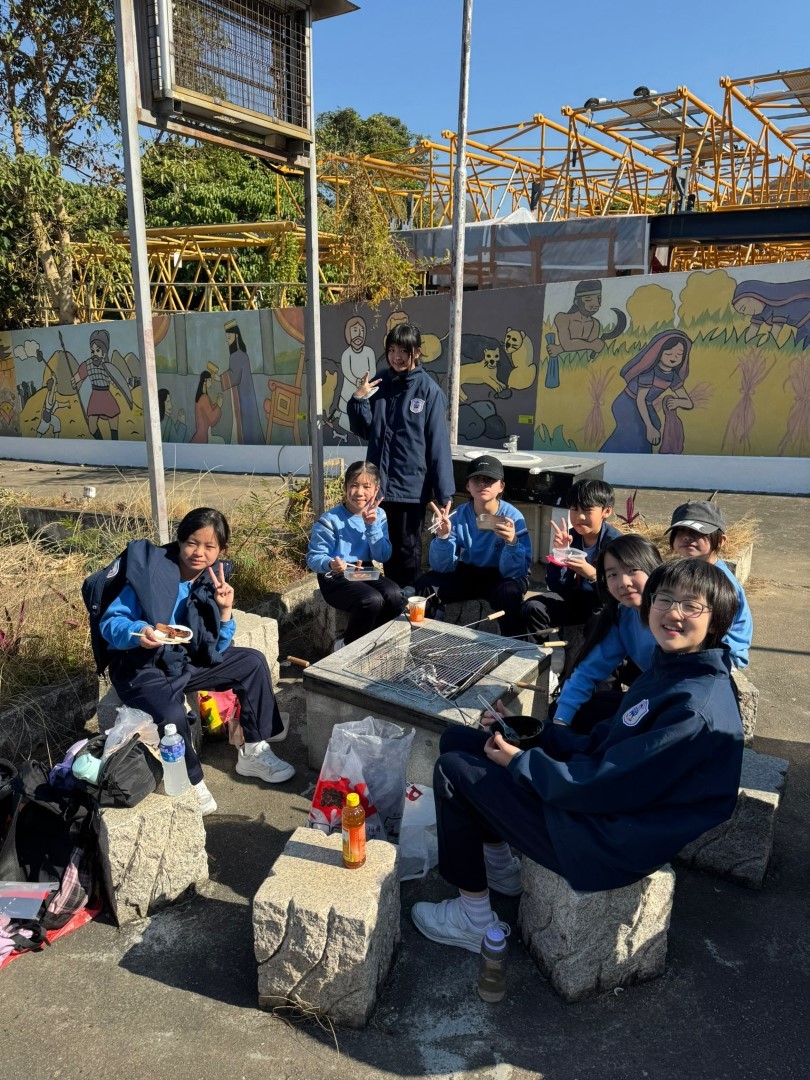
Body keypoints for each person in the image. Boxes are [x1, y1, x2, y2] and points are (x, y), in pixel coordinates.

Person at [411, 558, 744, 952]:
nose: (673, 613)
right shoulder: (673, 670)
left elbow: (607, 784)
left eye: (691, 606)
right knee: (459, 741)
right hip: (603, 808)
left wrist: (520, 762)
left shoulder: (692, 709)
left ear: (717, 620)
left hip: (609, 841)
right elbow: (605, 742)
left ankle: (472, 919)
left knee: (453, 770)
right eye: (664, 599)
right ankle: (500, 868)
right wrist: (533, 735)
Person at [99, 507, 294, 817]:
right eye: (192, 543)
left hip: (184, 660)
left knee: (252, 662)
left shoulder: (210, 580)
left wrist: (225, 611)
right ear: (179, 541)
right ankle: (192, 781)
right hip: (140, 665)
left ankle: (253, 752)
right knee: (171, 713)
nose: (199, 553)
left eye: (209, 546)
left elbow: (215, 646)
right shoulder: (149, 574)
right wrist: (139, 632)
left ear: (221, 550)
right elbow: (111, 623)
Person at [347, 322, 455, 588]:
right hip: (378, 488)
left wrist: (444, 493)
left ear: (416, 352)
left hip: (410, 490)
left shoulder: (428, 391)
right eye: (392, 350)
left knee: (405, 553)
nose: (396, 357)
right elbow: (365, 430)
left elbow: (438, 445)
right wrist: (359, 400)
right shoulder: (381, 384)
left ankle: (404, 603)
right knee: (371, 544)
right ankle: (376, 600)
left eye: (403, 351)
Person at [552, 534, 663, 732]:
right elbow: (588, 671)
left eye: (632, 570)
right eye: (612, 575)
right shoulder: (623, 614)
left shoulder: (675, 617)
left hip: (680, 708)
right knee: (565, 712)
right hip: (652, 697)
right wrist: (560, 722)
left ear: (654, 568)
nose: (623, 582)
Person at [414, 455, 532, 639]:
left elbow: (518, 571)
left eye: (489, 479)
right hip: (469, 571)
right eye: (477, 479)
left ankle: (514, 644)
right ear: (468, 486)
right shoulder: (458, 515)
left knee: (509, 592)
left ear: (501, 486)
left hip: (502, 575)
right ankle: (420, 636)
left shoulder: (513, 517)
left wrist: (512, 543)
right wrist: (443, 536)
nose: (482, 484)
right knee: (426, 584)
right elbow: (441, 567)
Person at [307, 461, 403, 647]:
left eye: (366, 486)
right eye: (353, 485)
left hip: (362, 570)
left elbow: (383, 556)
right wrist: (330, 563)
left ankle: (376, 641)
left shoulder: (379, 515)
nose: (359, 492)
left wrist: (372, 526)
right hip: (334, 575)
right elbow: (313, 558)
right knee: (371, 599)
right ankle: (346, 646)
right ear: (345, 487)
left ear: (376, 490)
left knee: (395, 594)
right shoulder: (330, 520)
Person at [522, 479, 622, 641]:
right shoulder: (570, 537)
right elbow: (557, 586)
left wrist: (592, 575)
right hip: (576, 598)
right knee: (533, 607)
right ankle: (539, 653)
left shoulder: (617, 544)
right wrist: (560, 553)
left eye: (587, 510)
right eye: (574, 509)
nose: (579, 516)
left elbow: (620, 594)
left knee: (597, 620)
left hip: (603, 603)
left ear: (606, 511)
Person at [666, 500, 753, 668]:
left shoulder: (720, 581)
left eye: (698, 532)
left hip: (723, 654)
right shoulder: (690, 571)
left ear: (721, 540)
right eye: (680, 531)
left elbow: (714, 629)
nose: (687, 537)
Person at [600, 330, 693, 454]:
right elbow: (640, 399)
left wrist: (678, 402)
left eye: (679, 354)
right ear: (660, 352)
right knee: (639, 431)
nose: (674, 357)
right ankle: (611, 455)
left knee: (655, 425)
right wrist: (649, 427)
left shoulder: (673, 377)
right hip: (626, 402)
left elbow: (688, 403)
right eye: (669, 353)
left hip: (645, 404)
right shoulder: (649, 373)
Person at [191, 371, 223, 444]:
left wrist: (217, 403)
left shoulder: (203, 396)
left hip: (202, 435)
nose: (211, 382)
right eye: (210, 380)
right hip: (201, 437)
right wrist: (218, 406)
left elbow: (210, 409)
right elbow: (211, 419)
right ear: (205, 381)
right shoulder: (204, 398)